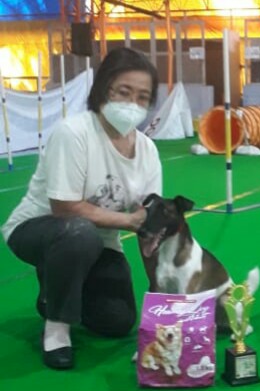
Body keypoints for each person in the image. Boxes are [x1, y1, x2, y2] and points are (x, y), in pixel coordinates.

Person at [1, 47, 162, 370]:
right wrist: (130, 220)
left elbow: (150, 228)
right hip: (41, 229)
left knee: (117, 322)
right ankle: (57, 327)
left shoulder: (147, 151)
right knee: (78, 233)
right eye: (124, 92)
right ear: (104, 89)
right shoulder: (73, 133)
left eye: (142, 97)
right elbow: (64, 208)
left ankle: (61, 286)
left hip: (98, 242)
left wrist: (161, 303)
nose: (133, 103)